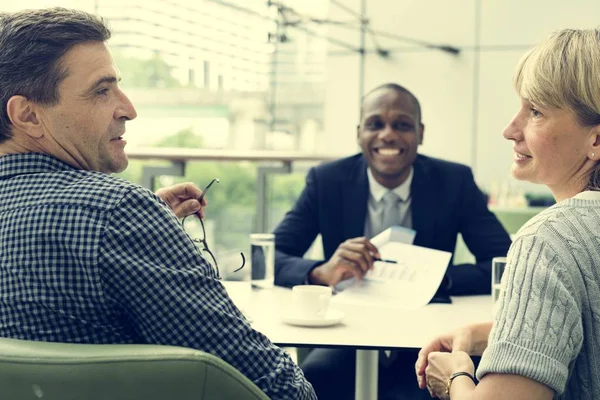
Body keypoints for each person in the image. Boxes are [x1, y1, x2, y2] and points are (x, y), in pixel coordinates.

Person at [0, 7, 315, 399]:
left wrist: (149, 232)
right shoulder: (119, 214)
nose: (128, 109)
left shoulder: (117, 220)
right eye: (102, 90)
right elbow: (275, 386)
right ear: (28, 115)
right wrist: (135, 224)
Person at [272, 82, 512, 399]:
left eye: (402, 125)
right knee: (312, 382)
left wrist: (437, 280)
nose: (388, 135)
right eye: (375, 124)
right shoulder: (327, 180)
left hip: (427, 337)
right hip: (349, 334)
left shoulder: (454, 182)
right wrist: (321, 272)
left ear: (420, 133)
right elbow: (269, 255)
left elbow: (504, 262)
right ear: (359, 133)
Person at [415, 28, 600, 400]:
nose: (509, 130)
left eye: (535, 112)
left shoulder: (549, 239)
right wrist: (498, 332)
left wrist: (454, 378)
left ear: (595, 140)